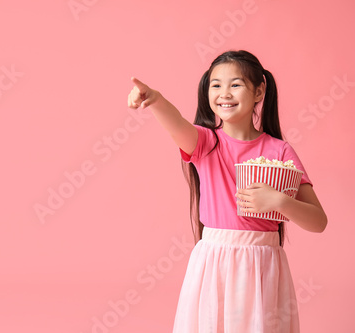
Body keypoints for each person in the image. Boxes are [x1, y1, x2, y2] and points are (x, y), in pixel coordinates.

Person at [127, 50, 327, 332]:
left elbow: (318, 221)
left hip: (264, 265)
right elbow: (177, 124)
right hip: (215, 263)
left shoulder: (279, 150)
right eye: (216, 85)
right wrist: (156, 100)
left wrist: (280, 201)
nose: (224, 93)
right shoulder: (205, 143)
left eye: (235, 84)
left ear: (259, 92)